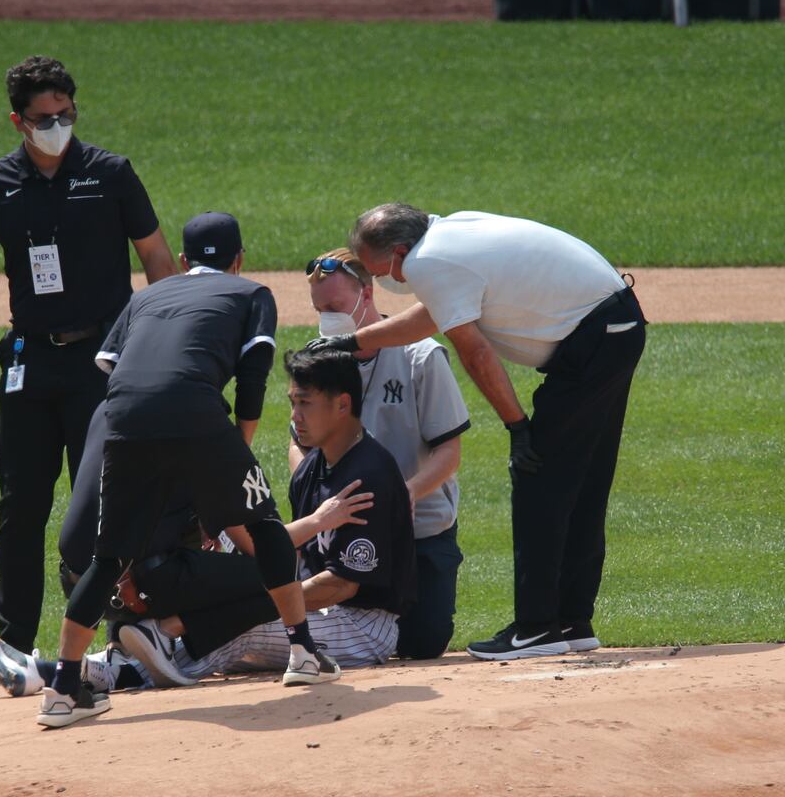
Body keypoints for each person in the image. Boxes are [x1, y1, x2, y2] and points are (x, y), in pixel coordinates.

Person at [35, 211, 339, 728]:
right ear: (239, 259)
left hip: (119, 416)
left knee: (109, 558)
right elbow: (252, 376)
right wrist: (234, 453)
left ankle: (63, 688)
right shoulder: (250, 293)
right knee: (264, 524)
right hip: (196, 412)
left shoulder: (145, 297)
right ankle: (303, 652)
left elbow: (110, 366)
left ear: (181, 261)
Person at [310, 204, 646, 660]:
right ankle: (571, 618)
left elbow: (476, 353)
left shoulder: (429, 261)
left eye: (378, 269)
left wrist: (518, 427)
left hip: (593, 341)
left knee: (538, 477)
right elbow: (432, 317)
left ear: (401, 251)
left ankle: (537, 626)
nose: (391, 280)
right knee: (582, 483)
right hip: (614, 329)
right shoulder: (449, 232)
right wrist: (351, 342)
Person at [0, 56, 175, 654]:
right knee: (20, 511)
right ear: (19, 121)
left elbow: (159, 262)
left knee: (105, 508)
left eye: (66, 113)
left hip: (104, 365)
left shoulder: (111, 174)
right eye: (44, 117)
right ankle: (15, 643)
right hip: (31, 366)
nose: (57, 125)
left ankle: (116, 639)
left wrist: (167, 350)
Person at [0, 349, 414, 693]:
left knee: (241, 626)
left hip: (363, 627)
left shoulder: (368, 476)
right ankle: (56, 671)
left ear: (343, 405)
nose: (294, 415)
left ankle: (50, 671)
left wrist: (245, 607)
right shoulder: (315, 465)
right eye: (292, 402)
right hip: (321, 609)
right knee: (211, 616)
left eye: (305, 403)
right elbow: (279, 552)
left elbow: (342, 586)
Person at [294, 249, 469, 659]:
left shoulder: (420, 356)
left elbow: (450, 451)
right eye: (319, 309)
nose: (327, 318)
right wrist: (316, 496)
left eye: (335, 307)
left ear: (367, 295)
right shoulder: (319, 355)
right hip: (340, 525)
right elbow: (299, 440)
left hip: (419, 530)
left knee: (422, 643)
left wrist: (405, 493)